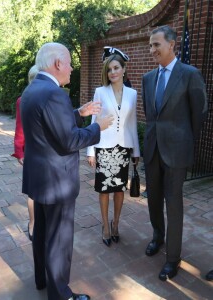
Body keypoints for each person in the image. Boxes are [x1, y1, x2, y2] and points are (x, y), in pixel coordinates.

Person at [21, 42, 113, 300]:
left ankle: (43, 280)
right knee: (58, 241)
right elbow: (69, 140)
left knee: (41, 233)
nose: (72, 68)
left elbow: (49, 122)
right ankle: (61, 294)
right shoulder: (54, 93)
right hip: (57, 181)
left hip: (39, 178)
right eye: (70, 63)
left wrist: (79, 113)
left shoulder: (33, 89)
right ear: (58, 64)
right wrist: (98, 128)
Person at [142, 25, 208, 281]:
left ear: (172, 44)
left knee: (174, 203)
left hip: (177, 152)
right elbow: (151, 115)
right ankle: (158, 236)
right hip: (153, 149)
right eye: (150, 45)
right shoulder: (148, 78)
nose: (152, 50)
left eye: (156, 44)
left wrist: (183, 140)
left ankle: (173, 258)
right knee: (153, 200)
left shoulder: (190, 74)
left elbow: (199, 113)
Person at [87, 49, 140, 247]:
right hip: (104, 147)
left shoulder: (133, 94)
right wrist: (91, 150)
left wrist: (136, 151)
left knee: (119, 189)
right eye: (109, 69)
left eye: (116, 68)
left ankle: (115, 223)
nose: (113, 72)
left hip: (123, 148)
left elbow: (132, 123)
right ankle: (105, 227)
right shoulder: (100, 92)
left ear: (124, 69)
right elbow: (94, 120)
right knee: (104, 190)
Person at [11, 65, 39, 241]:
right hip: (32, 151)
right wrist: (19, 152)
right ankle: (33, 223)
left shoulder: (51, 97)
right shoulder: (23, 100)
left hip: (49, 152)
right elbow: (19, 127)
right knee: (33, 191)